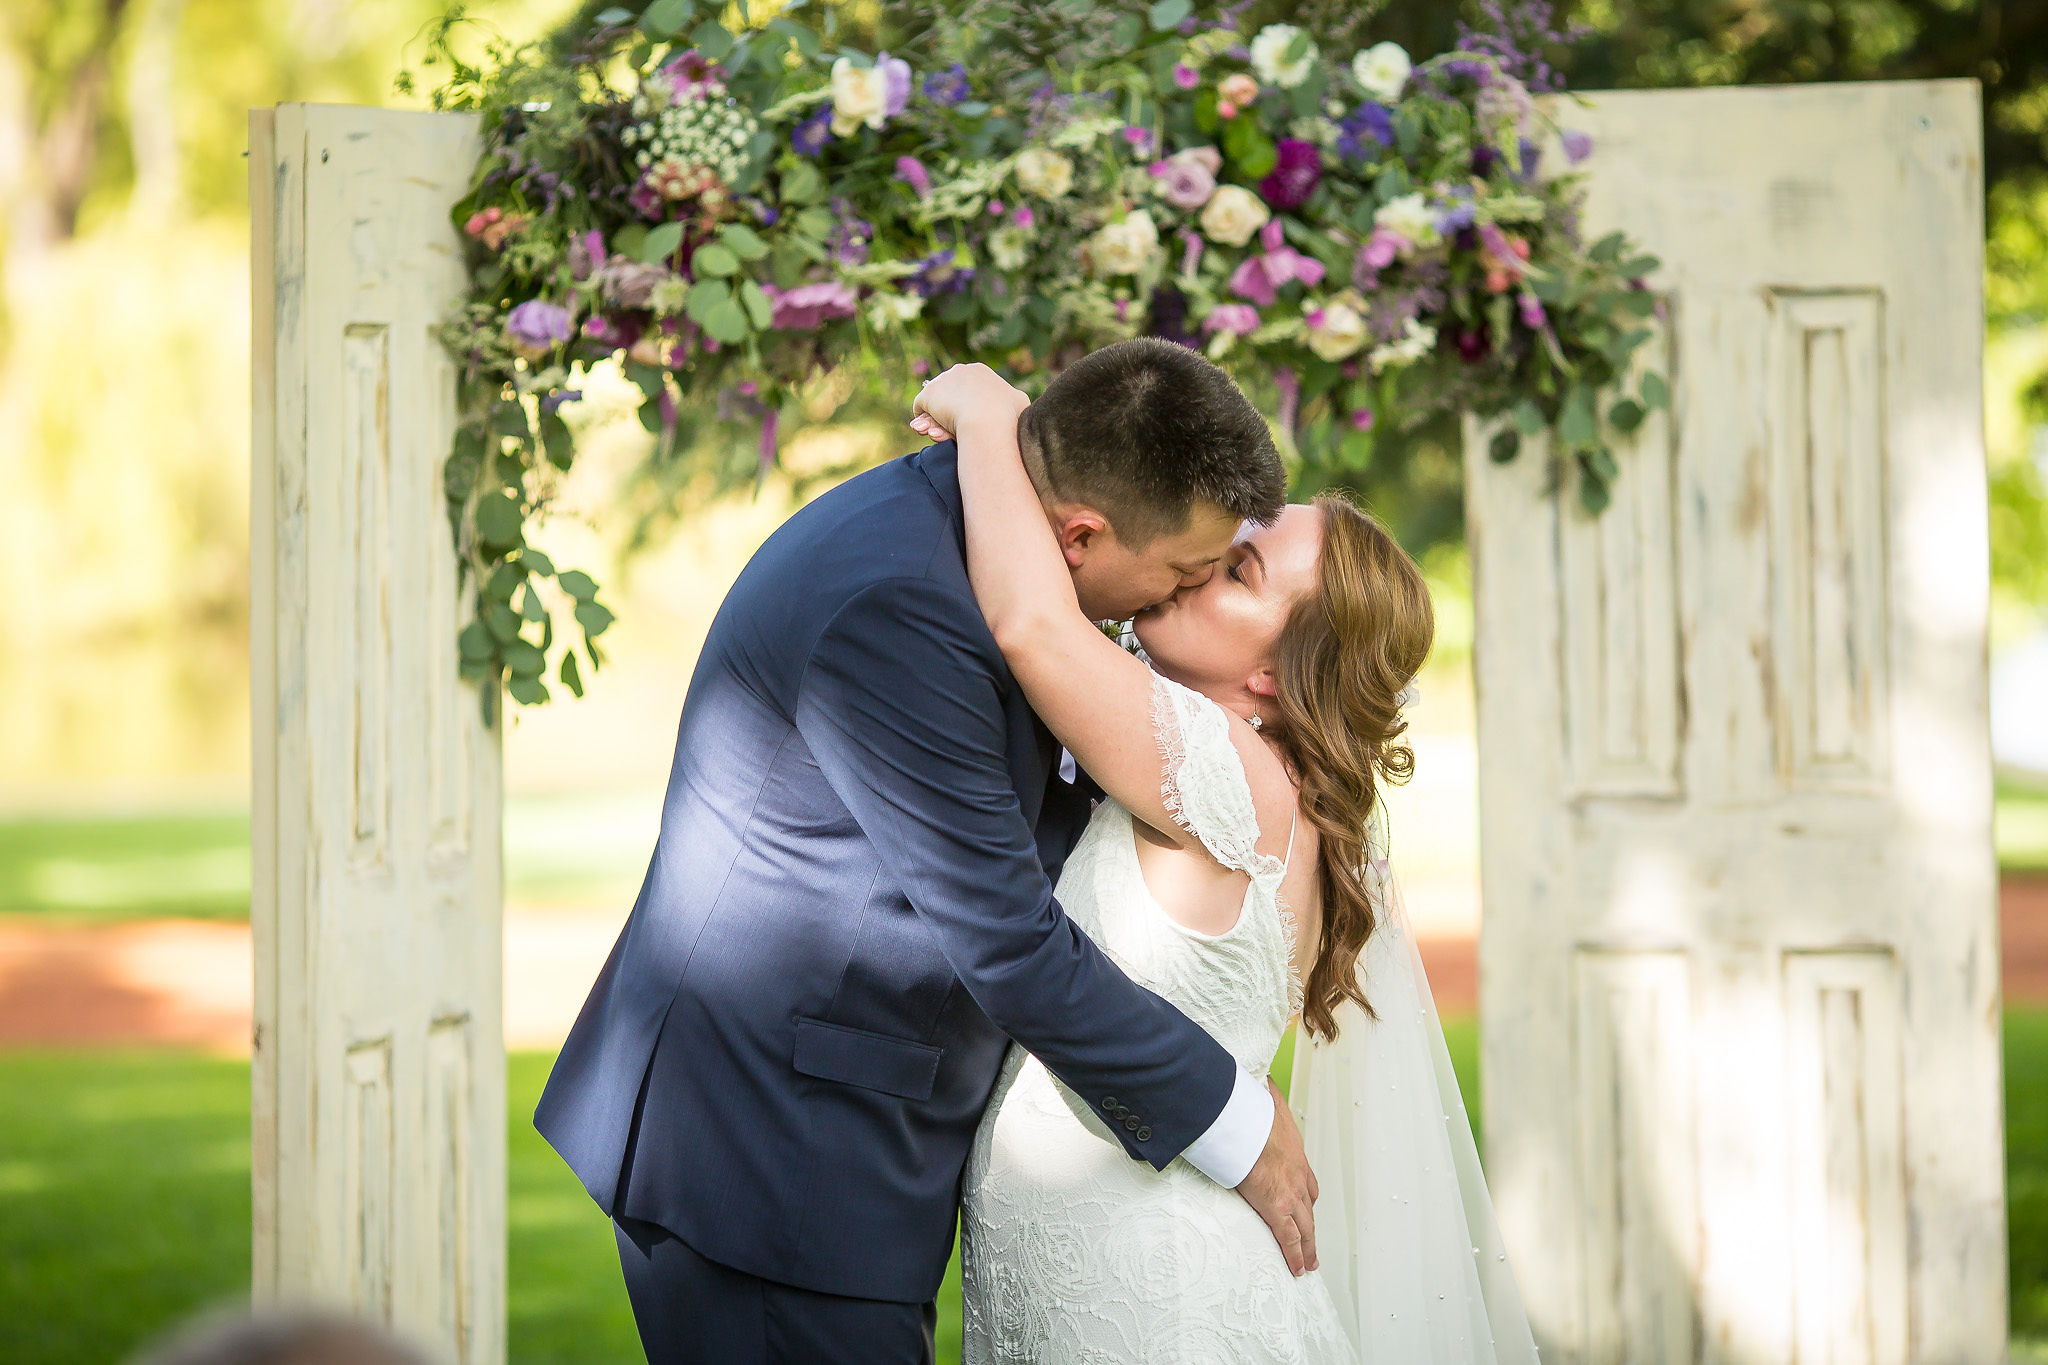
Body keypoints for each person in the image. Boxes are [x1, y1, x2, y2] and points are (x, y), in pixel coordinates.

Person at [535, 337, 1319, 1364]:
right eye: (1179, 573)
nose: (1173, 602)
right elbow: (1005, 942)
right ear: (1080, 536)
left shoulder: (987, 538)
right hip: (772, 1152)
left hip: (839, 1140)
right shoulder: (897, 605)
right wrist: (1231, 1124)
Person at [910, 362, 1542, 1364]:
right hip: (1115, 1276)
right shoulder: (1259, 786)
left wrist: (991, 414)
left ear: (1272, 675)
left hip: (1156, 1301)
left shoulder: (1228, 773)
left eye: (1239, 575)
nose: (1200, 563)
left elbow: (1029, 622)